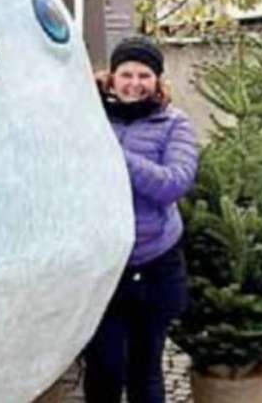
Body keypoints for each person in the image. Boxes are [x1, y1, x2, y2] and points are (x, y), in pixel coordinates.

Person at [83, 37, 199, 403]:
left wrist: (116, 155)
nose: (135, 82)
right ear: (111, 77)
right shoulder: (90, 116)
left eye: (144, 75)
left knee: (145, 371)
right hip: (103, 265)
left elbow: (173, 183)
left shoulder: (173, 123)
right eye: (126, 74)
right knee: (104, 366)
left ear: (157, 80)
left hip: (154, 263)